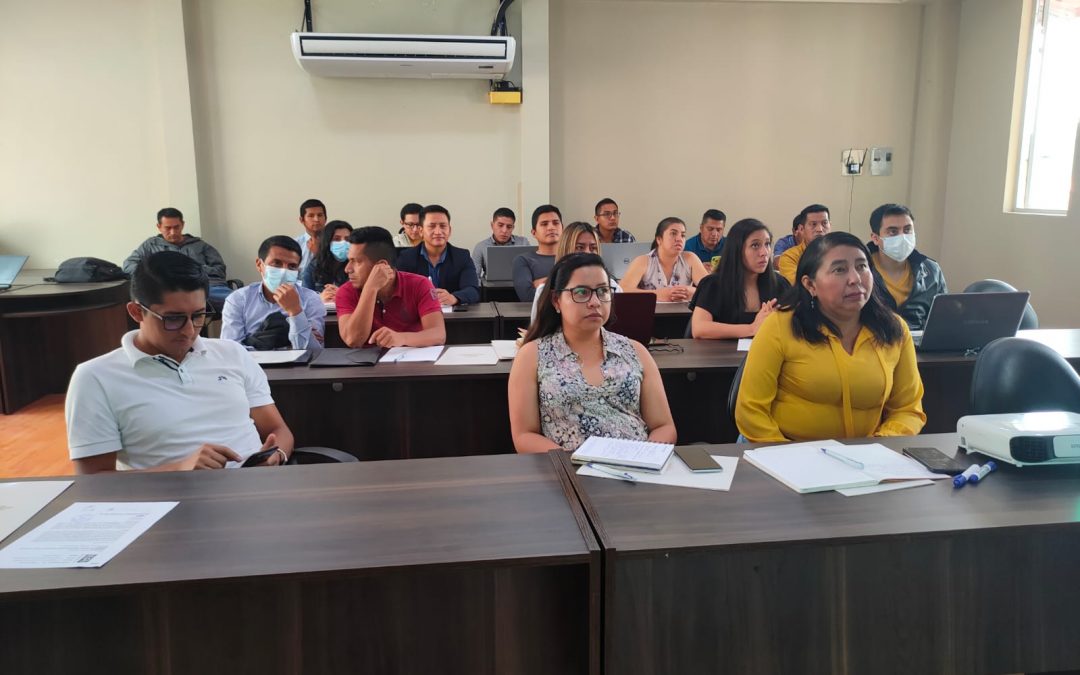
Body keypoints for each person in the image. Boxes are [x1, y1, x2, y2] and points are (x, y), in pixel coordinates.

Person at [66, 251, 294, 473]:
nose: (189, 330)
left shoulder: (233, 353)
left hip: (256, 487)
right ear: (136, 312)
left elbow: (277, 430)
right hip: (169, 496)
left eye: (198, 315)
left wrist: (277, 456)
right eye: (173, 319)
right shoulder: (96, 378)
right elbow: (93, 480)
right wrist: (179, 469)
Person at [735, 232, 926, 443]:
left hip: (866, 455)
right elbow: (751, 410)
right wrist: (790, 455)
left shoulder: (893, 329)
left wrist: (877, 447)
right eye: (839, 270)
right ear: (810, 285)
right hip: (785, 450)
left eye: (862, 266)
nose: (855, 279)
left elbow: (908, 409)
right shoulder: (780, 325)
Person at [508, 253, 676, 453]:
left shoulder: (635, 351)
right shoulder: (532, 355)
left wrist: (645, 457)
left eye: (603, 291)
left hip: (636, 465)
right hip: (567, 467)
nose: (595, 302)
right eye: (581, 292)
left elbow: (663, 426)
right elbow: (525, 436)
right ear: (556, 300)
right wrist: (575, 462)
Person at [336, 226, 446, 348]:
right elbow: (353, 340)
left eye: (356, 261)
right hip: (366, 360)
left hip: (410, 357)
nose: (348, 269)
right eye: (349, 260)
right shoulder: (346, 291)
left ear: (382, 265)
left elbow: (438, 334)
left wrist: (401, 338)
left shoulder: (420, 284)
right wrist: (370, 289)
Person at [221, 236, 326, 351]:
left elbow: (313, 351)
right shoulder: (238, 300)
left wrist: (295, 311)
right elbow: (231, 350)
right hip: (253, 363)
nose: (284, 272)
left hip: (296, 364)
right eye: (276, 264)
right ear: (259, 265)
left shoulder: (311, 299)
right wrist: (288, 344)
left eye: (292, 266)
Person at [690, 219, 790, 339]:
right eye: (755, 245)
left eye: (767, 244)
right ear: (737, 250)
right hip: (721, 351)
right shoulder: (713, 284)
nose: (764, 252)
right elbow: (699, 329)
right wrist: (752, 329)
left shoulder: (780, 284)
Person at [122, 207, 231, 306]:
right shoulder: (150, 246)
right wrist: (155, 273)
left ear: (182, 224)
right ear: (159, 227)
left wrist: (194, 270)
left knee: (235, 301)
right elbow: (128, 265)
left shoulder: (200, 245)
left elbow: (220, 270)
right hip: (167, 290)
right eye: (168, 228)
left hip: (204, 287)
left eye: (176, 227)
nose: (173, 232)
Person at [866, 203, 947, 331]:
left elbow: (943, 319)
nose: (903, 237)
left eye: (907, 230)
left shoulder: (931, 270)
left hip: (918, 342)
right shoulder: (859, 270)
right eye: (893, 231)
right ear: (875, 238)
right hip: (873, 340)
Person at [529, 221, 621, 322]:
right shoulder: (545, 290)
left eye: (593, 248)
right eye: (579, 247)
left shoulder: (612, 287)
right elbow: (539, 328)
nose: (587, 252)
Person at [395, 204, 480, 305]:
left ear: (449, 230)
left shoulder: (462, 257)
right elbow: (398, 290)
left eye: (443, 226)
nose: (438, 232)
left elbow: (472, 290)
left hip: (452, 313)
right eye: (432, 226)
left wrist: (454, 298)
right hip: (418, 313)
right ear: (421, 231)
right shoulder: (406, 258)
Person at [620, 217, 709, 302]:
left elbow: (711, 289)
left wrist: (693, 292)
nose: (679, 239)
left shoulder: (690, 258)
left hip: (684, 312)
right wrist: (656, 295)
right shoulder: (643, 261)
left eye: (683, 235)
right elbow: (623, 290)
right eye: (673, 233)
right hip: (650, 312)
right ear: (659, 239)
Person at [513, 204, 564, 302]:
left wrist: (542, 284)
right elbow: (528, 297)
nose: (551, 227)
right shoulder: (523, 260)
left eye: (556, 223)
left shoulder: (572, 258)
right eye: (544, 224)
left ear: (563, 228)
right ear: (534, 233)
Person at [302, 220, 353, 303]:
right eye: (337, 239)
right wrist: (319, 298)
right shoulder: (314, 266)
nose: (343, 243)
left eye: (348, 239)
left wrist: (342, 294)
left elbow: (363, 296)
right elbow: (304, 299)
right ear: (327, 241)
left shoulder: (356, 267)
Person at [777, 204, 830, 285]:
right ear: (801, 229)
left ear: (830, 225)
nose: (820, 229)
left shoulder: (840, 252)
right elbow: (799, 285)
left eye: (824, 223)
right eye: (813, 224)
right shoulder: (789, 257)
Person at [471, 207, 530, 278]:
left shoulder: (523, 243)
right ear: (492, 225)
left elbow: (530, 270)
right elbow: (474, 276)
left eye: (509, 227)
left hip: (518, 283)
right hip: (491, 284)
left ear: (513, 228)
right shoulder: (481, 247)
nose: (504, 230)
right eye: (500, 225)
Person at [295, 198, 327, 276]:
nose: (316, 219)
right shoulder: (295, 244)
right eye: (311, 216)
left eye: (320, 215)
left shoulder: (335, 243)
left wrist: (318, 253)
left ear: (325, 218)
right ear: (301, 220)